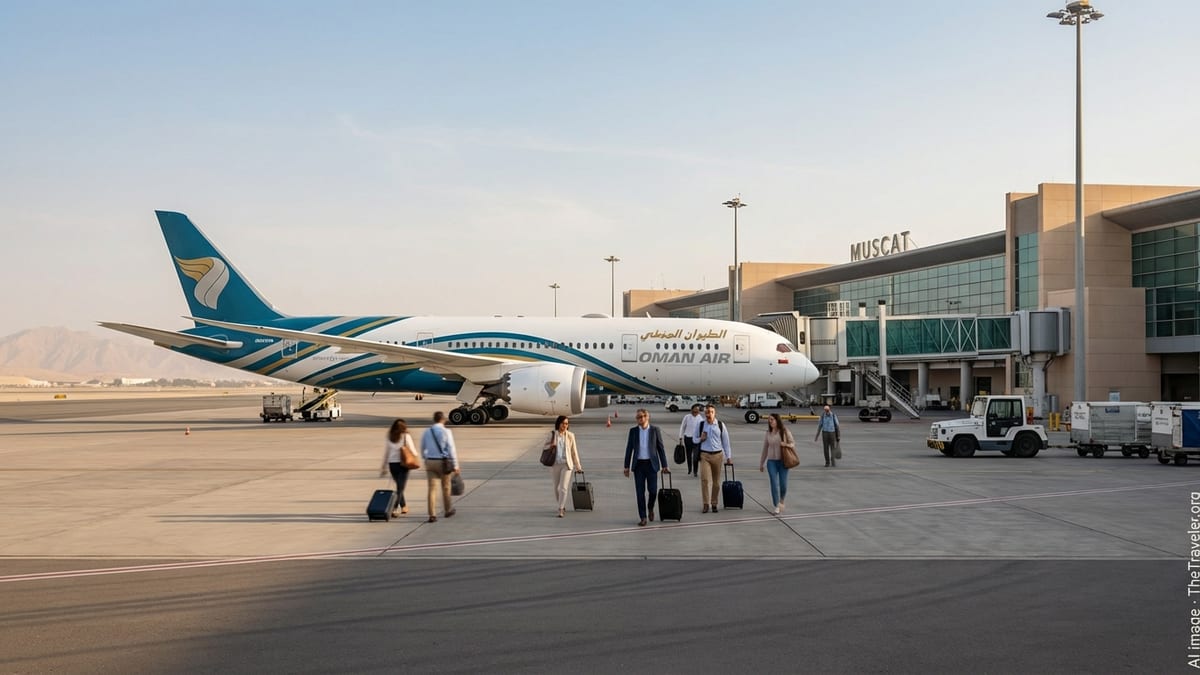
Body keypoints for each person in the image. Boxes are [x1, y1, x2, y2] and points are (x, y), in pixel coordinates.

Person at [623, 408, 670, 526]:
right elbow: (629, 449)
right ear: (636, 419)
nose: (641, 419)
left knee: (653, 491)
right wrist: (626, 466)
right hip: (638, 465)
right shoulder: (633, 431)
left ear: (647, 417)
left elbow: (660, 448)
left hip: (651, 464)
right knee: (640, 493)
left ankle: (650, 507)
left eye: (643, 416)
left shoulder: (655, 430)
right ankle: (643, 517)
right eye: (639, 417)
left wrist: (664, 465)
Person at [420, 411, 460, 522]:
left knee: (432, 489)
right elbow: (451, 449)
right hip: (443, 463)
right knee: (446, 488)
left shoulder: (427, 431)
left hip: (430, 462)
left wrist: (425, 458)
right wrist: (455, 465)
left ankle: (432, 515)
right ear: (443, 419)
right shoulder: (446, 432)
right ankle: (447, 510)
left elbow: (422, 447)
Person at [693, 404, 733, 513]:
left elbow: (726, 442)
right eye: (707, 412)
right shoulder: (701, 425)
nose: (708, 414)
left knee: (716, 482)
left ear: (714, 413)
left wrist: (728, 456)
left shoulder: (720, 425)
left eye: (711, 412)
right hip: (704, 455)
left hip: (717, 455)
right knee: (705, 480)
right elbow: (694, 439)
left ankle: (714, 503)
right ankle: (706, 504)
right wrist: (700, 439)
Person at [544, 415, 583, 517]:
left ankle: (561, 508)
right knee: (556, 488)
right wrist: (551, 445)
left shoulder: (570, 435)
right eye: (563, 423)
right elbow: (545, 447)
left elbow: (574, 451)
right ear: (558, 424)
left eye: (566, 423)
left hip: (567, 464)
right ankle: (561, 504)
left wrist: (578, 465)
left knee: (563, 488)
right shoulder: (552, 434)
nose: (565, 425)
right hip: (555, 464)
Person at [759, 413, 795, 514]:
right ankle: (777, 504)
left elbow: (793, 444)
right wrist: (761, 463)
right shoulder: (768, 433)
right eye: (769, 420)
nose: (770, 421)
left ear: (777, 420)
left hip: (783, 461)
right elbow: (765, 448)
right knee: (774, 483)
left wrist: (786, 444)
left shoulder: (784, 431)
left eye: (772, 419)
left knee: (783, 485)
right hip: (771, 462)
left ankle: (782, 500)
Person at [379, 418, 415, 517]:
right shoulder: (406, 436)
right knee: (400, 487)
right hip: (403, 464)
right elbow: (413, 450)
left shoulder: (390, 436)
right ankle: (394, 508)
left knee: (399, 486)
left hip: (392, 465)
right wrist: (415, 458)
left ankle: (404, 506)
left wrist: (384, 466)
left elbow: (387, 452)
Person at [678, 403, 704, 476]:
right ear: (691, 410)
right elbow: (682, 427)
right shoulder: (687, 417)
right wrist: (680, 437)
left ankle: (695, 471)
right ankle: (689, 469)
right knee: (688, 455)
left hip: (696, 439)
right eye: (694, 411)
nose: (695, 413)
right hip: (688, 438)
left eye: (697, 412)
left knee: (695, 456)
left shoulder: (700, 418)